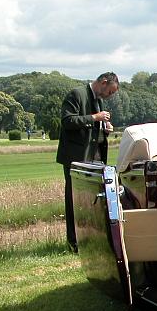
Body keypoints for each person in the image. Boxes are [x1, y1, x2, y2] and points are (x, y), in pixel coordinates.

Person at [56, 72, 120, 253]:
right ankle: (74, 243)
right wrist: (95, 118)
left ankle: (90, 239)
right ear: (103, 82)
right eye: (110, 92)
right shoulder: (77, 94)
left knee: (93, 201)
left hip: (95, 157)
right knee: (75, 200)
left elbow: (93, 126)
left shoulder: (97, 99)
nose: (109, 96)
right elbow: (68, 121)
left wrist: (104, 128)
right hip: (76, 158)